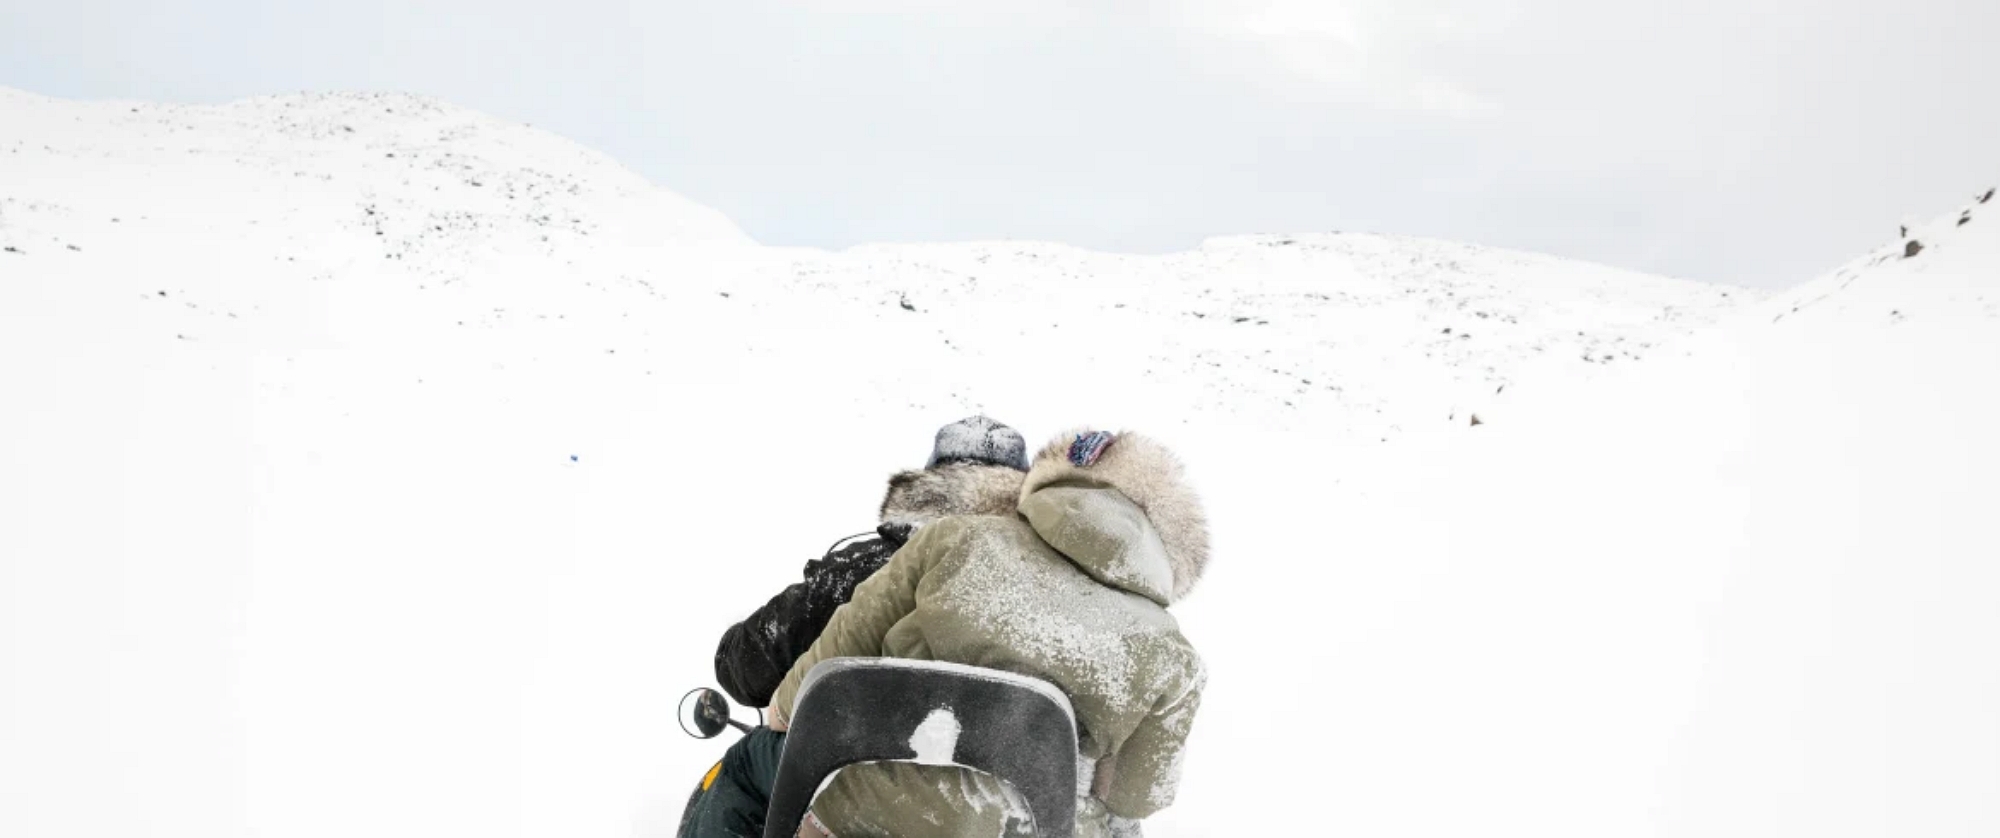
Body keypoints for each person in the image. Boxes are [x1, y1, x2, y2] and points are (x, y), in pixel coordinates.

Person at [769, 428, 1210, 838]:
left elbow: (843, 646)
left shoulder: (952, 539)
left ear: (1052, 484)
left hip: (860, 811)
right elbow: (1137, 798)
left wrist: (782, 713)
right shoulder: (1174, 655)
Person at [681, 416, 1032, 838]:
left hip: (858, 793)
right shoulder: (1041, 597)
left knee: (743, 766)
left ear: (929, 484)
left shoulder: (868, 569)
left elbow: (747, 668)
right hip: (998, 811)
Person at [711, 415, 1033, 709]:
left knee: (749, 753)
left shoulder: (860, 570)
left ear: (927, 486)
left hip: (848, 753)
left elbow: (744, 669)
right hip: (1012, 754)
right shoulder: (1047, 588)